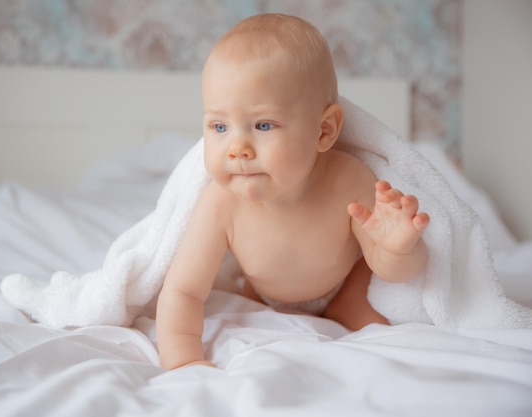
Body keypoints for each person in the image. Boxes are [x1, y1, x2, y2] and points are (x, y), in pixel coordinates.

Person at [156, 13, 430, 370]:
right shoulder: (221, 203)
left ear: (324, 131)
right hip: (262, 295)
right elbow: (184, 291)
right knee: (252, 315)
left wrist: (399, 247)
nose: (237, 148)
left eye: (263, 124)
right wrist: (182, 360)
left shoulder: (349, 181)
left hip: (346, 286)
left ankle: (350, 322)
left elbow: (394, 271)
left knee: (387, 349)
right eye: (219, 126)